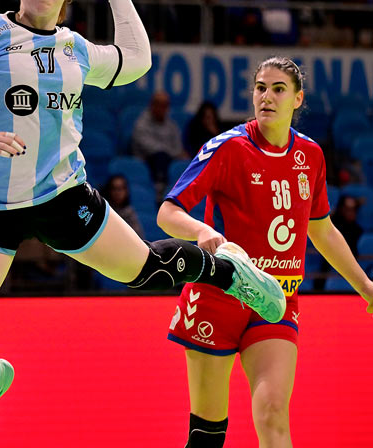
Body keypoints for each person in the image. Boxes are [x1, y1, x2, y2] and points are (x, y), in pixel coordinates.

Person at [0, 0, 287, 446]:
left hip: (62, 195)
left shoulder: (74, 49)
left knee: (143, 272)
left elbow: (137, 61)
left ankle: (231, 273)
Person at [159, 56, 373, 447]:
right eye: (260, 87)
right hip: (216, 298)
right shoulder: (226, 148)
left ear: (297, 99)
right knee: (207, 433)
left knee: (273, 414)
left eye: (278, 89)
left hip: (277, 301)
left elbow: (322, 230)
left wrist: (366, 286)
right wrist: (202, 231)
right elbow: (167, 213)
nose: (267, 97)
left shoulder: (311, 156)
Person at [131, 89, 187, 187]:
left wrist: (174, 153)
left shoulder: (171, 125)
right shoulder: (141, 123)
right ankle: (159, 189)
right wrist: (172, 152)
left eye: (165, 105)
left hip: (169, 159)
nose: (162, 109)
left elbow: (178, 147)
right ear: (152, 105)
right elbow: (149, 147)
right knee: (160, 156)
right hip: (147, 160)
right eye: (159, 105)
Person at [102, 174, 144, 238]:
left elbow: (139, 238)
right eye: (114, 189)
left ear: (126, 191)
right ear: (109, 191)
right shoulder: (103, 212)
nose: (117, 193)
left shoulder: (130, 213)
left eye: (120, 189)